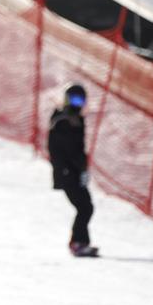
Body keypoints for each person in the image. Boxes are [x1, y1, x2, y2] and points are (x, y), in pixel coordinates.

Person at [47, 83, 97, 258]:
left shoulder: (75, 119)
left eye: (80, 100)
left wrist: (83, 168)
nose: (77, 103)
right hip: (67, 172)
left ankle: (80, 242)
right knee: (85, 207)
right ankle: (78, 243)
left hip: (74, 172)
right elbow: (67, 149)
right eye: (74, 99)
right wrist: (78, 166)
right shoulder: (63, 120)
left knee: (86, 207)